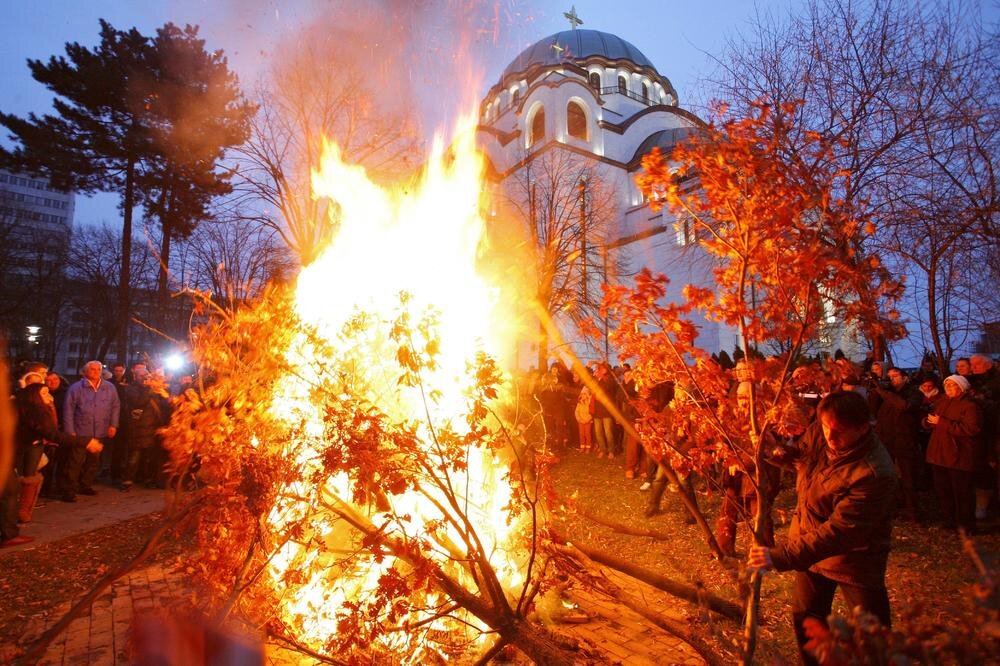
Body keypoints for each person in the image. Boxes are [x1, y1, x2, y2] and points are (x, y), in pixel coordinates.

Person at [748, 391, 898, 666]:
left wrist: (780, 556)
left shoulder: (874, 472)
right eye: (826, 427)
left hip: (854, 559)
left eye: (840, 432)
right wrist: (771, 450)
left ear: (865, 426)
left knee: (871, 630)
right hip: (810, 547)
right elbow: (803, 459)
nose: (830, 437)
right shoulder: (821, 430)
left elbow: (840, 532)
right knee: (807, 617)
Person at [14, 383, 102, 522]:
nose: (49, 396)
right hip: (14, 451)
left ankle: (16, 518)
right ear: (34, 397)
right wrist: (86, 442)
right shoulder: (34, 412)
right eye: (44, 393)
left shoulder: (38, 409)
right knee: (12, 486)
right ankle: (13, 521)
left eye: (48, 392)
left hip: (20, 449)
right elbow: (52, 434)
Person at [924, 374, 982, 532]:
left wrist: (941, 422)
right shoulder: (942, 402)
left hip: (958, 455)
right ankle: (949, 522)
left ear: (961, 387)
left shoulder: (970, 406)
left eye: (952, 385)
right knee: (944, 491)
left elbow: (971, 429)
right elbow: (934, 421)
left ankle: (965, 526)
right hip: (939, 454)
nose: (948, 388)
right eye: (947, 385)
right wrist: (927, 422)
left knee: (962, 493)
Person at [60, 360, 119, 501]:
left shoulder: (109, 387)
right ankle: (69, 490)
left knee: (94, 461)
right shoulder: (76, 388)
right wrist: (70, 430)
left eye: (98, 369)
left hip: (100, 430)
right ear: (85, 371)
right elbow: (68, 410)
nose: (96, 372)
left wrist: (113, 425)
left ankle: (85, 484)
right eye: (92, 369)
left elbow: (115, 406)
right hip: (81, 431)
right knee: (75, 462)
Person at [870, 368, 924, 521]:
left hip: (904, 440)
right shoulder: (887, 392)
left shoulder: (914, 392)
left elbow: (905, 406)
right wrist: (875, 390)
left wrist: (884, 393)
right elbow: (873, 409)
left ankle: (912, 510)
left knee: (907, 477)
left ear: (905, 378)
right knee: (888, 476)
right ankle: (894, 506)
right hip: (886, 438)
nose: (891, 379)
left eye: (895, 376)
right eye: (889, 376)